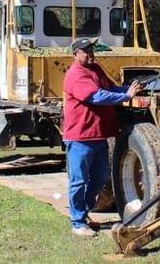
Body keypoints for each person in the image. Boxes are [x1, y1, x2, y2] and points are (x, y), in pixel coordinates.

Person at [62, 37, 143, 237]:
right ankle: (77, 222)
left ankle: (84, 212)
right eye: (85, 51)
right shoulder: (75, 75)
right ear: (75, 55)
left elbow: (109, 89)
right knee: (78, 181)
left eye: (91, 50)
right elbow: (96, 97)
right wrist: (126, 96)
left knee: (100, 178)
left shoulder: (95, 69)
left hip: (98, 136)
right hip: (80, 137)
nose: (90, 54)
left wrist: (129, 90)